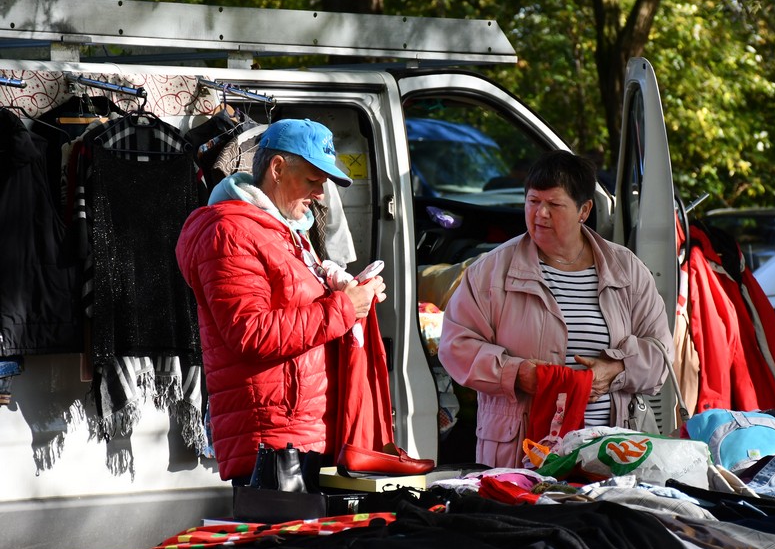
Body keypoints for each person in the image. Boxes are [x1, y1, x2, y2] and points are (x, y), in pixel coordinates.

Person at [175, 118, 392, 484]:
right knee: (279, 540)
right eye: (313, 180)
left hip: (301, 432)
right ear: (277, 168)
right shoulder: (229, 232)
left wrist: (348, 291)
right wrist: (343, 308)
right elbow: (250, 333)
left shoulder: (281, 230)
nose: (320, 194)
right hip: (274, 440)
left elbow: (292, 311)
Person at [438, 150, 673, 468]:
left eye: (554, 204)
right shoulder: (492, 271)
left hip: (613, 451)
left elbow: (660, 353)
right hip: (521, 455)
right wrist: (516, 373)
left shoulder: (627, 270)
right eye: (533, 202)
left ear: (584, 210)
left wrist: (616, 369)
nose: (540, 214)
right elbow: (455, 347)